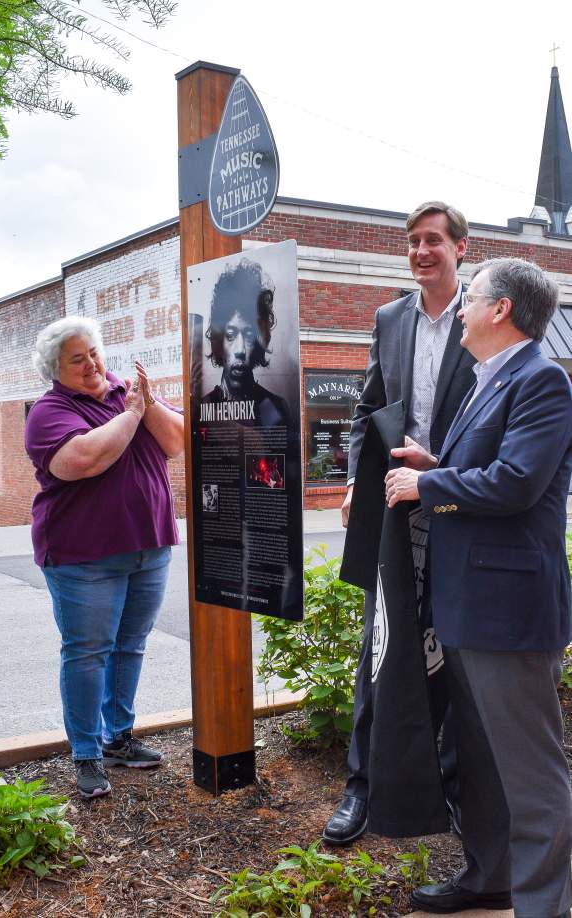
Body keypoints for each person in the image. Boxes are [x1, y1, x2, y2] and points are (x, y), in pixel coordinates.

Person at [386, 257, 572, 918]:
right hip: (467, 604)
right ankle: (490, 876)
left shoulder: (542, 380)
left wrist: (425, 486)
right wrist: (432, 464)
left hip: (507, 610)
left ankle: (544, 906)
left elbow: (516, 482)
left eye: (468, 297)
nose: (456, 309)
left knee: (528, 769)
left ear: (499, 309)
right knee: (482, 762)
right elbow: (487, 471)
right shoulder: (486, 380)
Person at [325, 201, 475, 845]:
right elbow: (368, 408)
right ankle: (363, 787)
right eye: (412, 241)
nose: (421, 251)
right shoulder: (389, 317)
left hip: (458, 504)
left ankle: (447, 789)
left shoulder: (489, 315)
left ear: (460, 249)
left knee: (456, 649)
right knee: (381, 647)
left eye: (433, 241)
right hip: (394, 505)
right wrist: (356, 481)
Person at [25, 317, 184, 799]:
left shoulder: (126, 393)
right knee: (89, 652)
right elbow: (83, 460)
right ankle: (87, 755)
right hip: (84, 556)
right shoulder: (49, 411)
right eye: (78, 358)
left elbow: (176, 442)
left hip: (149, 545)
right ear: (57, 369)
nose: (92, 364)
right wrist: (131, 415)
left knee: (130, 644)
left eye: (94, 352)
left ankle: (119, 738)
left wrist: (145, 403)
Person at [202, 259, 290, 426]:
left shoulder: (277, 408)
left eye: (249, 335)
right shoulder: (202, 409)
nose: (240, 349)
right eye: (231, 334)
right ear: (218, 340)